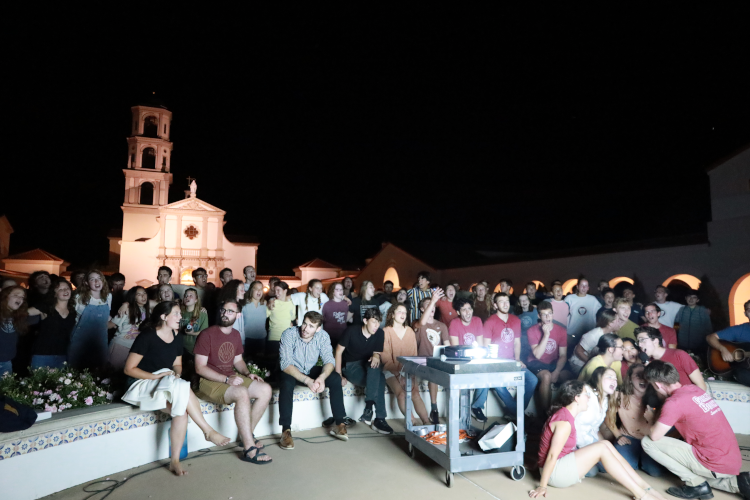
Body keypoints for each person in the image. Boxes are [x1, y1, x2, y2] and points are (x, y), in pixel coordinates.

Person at [122, 302, 231, 475]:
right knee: (181, 391)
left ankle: (174, 461)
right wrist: (157, 377)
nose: (181, 317)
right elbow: (129, 369)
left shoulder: (177, 336)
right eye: (177, 314)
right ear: (164, 317)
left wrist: (176, 375)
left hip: (164, 381)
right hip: (141, 383)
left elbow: (177, 365)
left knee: (181, 411)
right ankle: (208, 431)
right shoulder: (147, 336)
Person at [530, 380, 665, 499]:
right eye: (586, 394)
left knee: (605, 443)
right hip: (555, 474)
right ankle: (642, 495)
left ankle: (645, 487)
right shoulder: (564, 422)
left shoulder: (565, 414)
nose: (589, 397)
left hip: (559, 465)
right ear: (577, 398)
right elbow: (552, 455)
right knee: (601, 448)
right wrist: (542, 486)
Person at [641, 361, 749, 499]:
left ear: (657, 385)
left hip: (714, 462)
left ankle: (695, 485)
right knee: (701, 474)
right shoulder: (695, 390)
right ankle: (741, 482)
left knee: (647, 442)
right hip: (731, 461)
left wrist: (651, 418)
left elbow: (655, 437)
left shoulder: (674, 403)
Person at [194, 298, 274, 464]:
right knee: (241, 392)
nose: (225, 314)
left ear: (238, 315)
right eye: (223, 310)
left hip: (229, 377)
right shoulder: (207, 334)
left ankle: (246, 435)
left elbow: (238, 361)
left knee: (265, 389)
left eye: (230, 311)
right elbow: (199, 368)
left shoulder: (236, 335)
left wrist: (247, 373)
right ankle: (249, 449)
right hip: (208, 381)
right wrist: (226, 379)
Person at [278, 311, 350, 449]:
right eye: (305, 323)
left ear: (318, 329)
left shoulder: (323, 336)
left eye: (311, 326)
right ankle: (286, 431)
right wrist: (307, 381)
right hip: (292, 371)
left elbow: (329, 361)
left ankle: (340, 424)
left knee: (334, 378)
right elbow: (285, 364)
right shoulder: (289, 334)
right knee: (286, 383)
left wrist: (321, 378)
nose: (305, 328)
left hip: (309, 370)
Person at [472, 292, 539, 422]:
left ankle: (515, 410)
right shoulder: (490, 321)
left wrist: (518, 359)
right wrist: (493, 364)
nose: (505, 304)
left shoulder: (515, 320)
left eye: (507, 301)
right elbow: (486, 346)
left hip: (511, 362)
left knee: (532, 380)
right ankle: (518, 414)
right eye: (501, 301)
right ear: (495, 305)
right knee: (497, 382)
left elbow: (517, 342)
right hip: (495, 363)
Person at [335, 308, 393, 434]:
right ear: (365, 320)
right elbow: (338, 352)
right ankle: (379, 419)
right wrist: (338, 374)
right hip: (351, 366)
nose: (376, 326)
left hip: (367, 364)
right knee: (380, 379)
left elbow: (376, 353)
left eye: (378, 322)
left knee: (377, 371)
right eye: (374, 322)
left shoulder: (379, 333)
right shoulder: (352, 331)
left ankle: (369, 407)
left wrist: (376, 355)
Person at [606, 364, 665, 477]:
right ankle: (635, 460)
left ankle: (641, 461)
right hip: (628, 438)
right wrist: (618, 435)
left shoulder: (658, 398)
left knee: (655, 472)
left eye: (645, 376)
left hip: (649, 441)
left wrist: (652, 418)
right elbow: (608, 418)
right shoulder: (618, 396)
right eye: (638, 375)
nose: (643, 378)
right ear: (630, 378)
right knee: (626, 466)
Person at [381, 303, 431, 425]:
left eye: (404, 312)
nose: (402, 315)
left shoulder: (409, 331)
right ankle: (413, 422)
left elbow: (413, 356)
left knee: (415, 393)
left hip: (407, 369)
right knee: (402, 394)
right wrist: (399, 376)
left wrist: (411, 375)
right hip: (390, 369)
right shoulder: (385, 331)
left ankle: (427, 422)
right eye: (399, 312)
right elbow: (386, 359)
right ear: (392, 315)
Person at [526, 301, 573, 413]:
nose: (548, 317)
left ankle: (566, 413)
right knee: (546, 376)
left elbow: (562, 355)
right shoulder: (532, 330)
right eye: (544, 314)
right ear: (539, 316)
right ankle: (545, 415)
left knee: (568, 376)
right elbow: (537, 355)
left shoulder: (561, 330)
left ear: (553, 313)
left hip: (553, 363)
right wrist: (546, 335)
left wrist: (556, 371)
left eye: (550, 313)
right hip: (536, 362)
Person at [413, 291, 451, 424]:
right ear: (423, 309)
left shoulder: (441, 326)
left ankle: (434, 408)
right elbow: (421, 323)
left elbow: (447, 346)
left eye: (434, 304)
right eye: (429, 304)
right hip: (418, 361)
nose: (432, 306)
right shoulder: (418, 323)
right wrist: (434, 300)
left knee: (434, 372)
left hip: (435, 362)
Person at [575, 366, 619, 477]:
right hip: (573, 443)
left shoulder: (605, 400)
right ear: (598, 378)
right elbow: (574, 426)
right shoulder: (586, 393)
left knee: (609, 463)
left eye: (616, 379)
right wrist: (594, 450)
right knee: (592, 472)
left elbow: (594, 429)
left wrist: (605, 447)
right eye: (609, 377)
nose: (614, 381)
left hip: (588, 442)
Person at [68, 270, 114, 371]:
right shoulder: (79, 298)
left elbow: (106, 316)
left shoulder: (108, 297)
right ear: (86, 283)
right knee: (77, 369)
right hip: (81, 339)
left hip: (100, 339)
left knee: (98, 370)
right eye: (92, 279)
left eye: (99, 278)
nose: (96, 281)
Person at [635, 327, 706, 390]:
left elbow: (701, 385)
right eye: (638, 342)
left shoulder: (679, 355)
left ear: (655, 341)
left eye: (642, 340)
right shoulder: (647, 362)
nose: (640, 345)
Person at [31, 279, 76, 369]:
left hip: (63, 355)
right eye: (60, 289)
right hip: (42, 355)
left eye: (67, 288)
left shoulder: (73, 311)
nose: (65, 291)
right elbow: (22, 313)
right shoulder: (46, 308)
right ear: (54, 293)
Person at [705, 299, 750, 387]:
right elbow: (710, 337)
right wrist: (723, 349)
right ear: (745, 314)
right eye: (749, 310)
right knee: (740, 374)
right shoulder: (739, 329)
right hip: (744, 370)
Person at [1, 286, 40, 375]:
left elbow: (41, 310)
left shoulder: (19, 318)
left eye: (22, 297)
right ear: (5, 296)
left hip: (7, 363)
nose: (19, 299)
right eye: (16, 295)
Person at [108, 286, 149, 372]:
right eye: (139, 294)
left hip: (134, 348)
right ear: (133, 297)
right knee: (112, 373)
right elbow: (110, 325)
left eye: (144, 293)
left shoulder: (146, 310)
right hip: (120, 345)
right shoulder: (127, 310)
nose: (143, 296)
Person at [569, 310, 619, 374]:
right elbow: (578, 351)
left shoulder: (611, 334)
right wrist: (592, 363)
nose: (619, 323)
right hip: (580, 363)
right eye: (617, 321)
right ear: (610, 323)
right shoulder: (593, 335)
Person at [564, 279, 602, 348]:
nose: (584, 288)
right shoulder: (569, 298)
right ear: (577, 286)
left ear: (588, 288)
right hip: (572, 335)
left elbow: (600, 313)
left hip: (588, 335)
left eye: (586, 286)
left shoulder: (593, 300)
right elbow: (563, 314)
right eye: (582, 285)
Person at [266, 281, 295, 355]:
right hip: (273, 336)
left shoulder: (292, 303)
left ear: (285, 291)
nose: (276, 293)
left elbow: (293, 317)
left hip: (287, 338)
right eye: (275, 291)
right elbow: (265, 315)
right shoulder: (272, 303)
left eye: (278, 290)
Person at [241, 281, 267, 359]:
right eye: (256, 289)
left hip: (261, 340)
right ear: (251, 290)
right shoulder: (244, 304)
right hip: (247, 339)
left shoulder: (265, 304)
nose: (259, 291)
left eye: (261, 289)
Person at [180, 287, 209, 356]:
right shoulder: (179, 312)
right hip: (181, 348)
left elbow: (205, 333)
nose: (187, 297)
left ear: (196, 300)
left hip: (195, 349)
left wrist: (192, 333)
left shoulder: (202, 313)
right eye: (186, 296)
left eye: (190, 296)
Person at [322, 283, 351, 348]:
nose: (340, 291)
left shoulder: (346, 304)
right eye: (337, 289)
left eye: (341, 289)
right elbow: (323, 319)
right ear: (333, 292)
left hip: (342, 335)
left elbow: (348, 318)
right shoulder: (327, 304)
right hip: (329, 336)